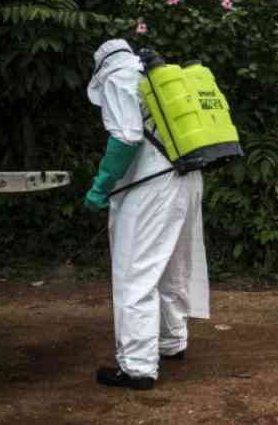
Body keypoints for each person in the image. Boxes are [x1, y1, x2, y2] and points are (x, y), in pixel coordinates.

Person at [84, 39, 208, 390]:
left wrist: (101, 185)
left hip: (153, 184)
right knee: (171, 264)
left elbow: (125, 137)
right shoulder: (156, 76)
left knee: (135, 271)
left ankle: (137, 366)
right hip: (186, 175)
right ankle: (172, 341)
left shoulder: (117, 78)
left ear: (100, 66)